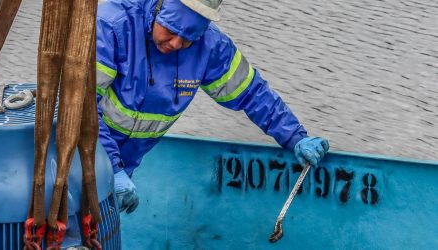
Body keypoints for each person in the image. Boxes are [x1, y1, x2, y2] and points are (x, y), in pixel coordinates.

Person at [95, 0, 329, 214]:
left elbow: (252, 93)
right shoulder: (112, 25)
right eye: (171, 29)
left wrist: (295, 137)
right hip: (76, 157)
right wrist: (110, 168)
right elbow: (80, 108)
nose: (176, 43)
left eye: (188, 38)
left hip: (121, 171)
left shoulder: (209, 47)